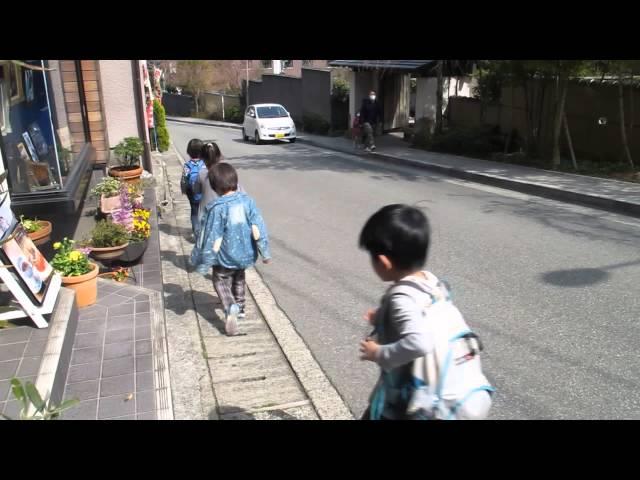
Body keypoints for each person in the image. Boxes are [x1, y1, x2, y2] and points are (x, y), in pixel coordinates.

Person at [190, 163, 272, 336]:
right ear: (235, 181)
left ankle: (229, 306)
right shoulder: (248, 202)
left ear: (214, 186)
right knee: (239, 277)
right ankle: (240, 308)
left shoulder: (216, 208)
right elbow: (259, 227)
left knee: (220, 280)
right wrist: (265, 252)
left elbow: (211, 236)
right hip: (245, 253)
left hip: (224, 256)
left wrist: (204, 262)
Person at [194, 141, 223, 225]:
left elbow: (196, 191)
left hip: (206, 216)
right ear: (219, 156)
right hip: (223, 214)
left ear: (202, 158)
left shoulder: (201, 174)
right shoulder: (226, 171)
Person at [182, 138, 205, 236]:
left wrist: (183, 190)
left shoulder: (187, 165)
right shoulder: (205, 164)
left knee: (194, 213)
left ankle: (196, 232)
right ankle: (204, 231)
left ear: (189, 152)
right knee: (204, 212)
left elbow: (184, 179)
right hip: (204, 192)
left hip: (192, 193)